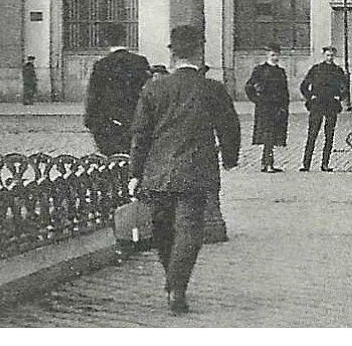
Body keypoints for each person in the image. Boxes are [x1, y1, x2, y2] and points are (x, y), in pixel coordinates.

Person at [128, 24, 241, 315]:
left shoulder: (153, 88)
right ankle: (177, 287)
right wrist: (229, 158)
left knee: (163, 230)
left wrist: (135, 173)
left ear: (172, 53)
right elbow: (230, 127)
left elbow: (140, 135)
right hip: (197, 170)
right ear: (200, 51)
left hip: (158, 171)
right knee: (190, 229)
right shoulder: (212, 88)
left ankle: (172, 280)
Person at [84, 23, 152, 156]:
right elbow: (148, 93)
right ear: (125, 38)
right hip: (135, 122)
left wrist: (92, 123)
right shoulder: (140, 62)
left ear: (105, 41)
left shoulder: (101, 65)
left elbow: (93, 97)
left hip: (108, 125)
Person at [299, 45, 350, 172]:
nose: (329, 57)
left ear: (334, 56)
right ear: (323, 55)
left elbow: (345, 88)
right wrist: (311, 97)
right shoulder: (316, 69)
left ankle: (325, 164)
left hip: (331, 105)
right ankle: (306, 164)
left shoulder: (338, 71)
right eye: (327, 55)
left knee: (329, 135)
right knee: (312, 134)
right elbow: (304, 86)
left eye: (332, 55)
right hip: (317, 105)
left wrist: (339, 97)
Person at [244, 45, 291, 173]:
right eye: (272, 55)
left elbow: (284, 90)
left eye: (276, 55)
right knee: (268, 135)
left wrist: (285, 107)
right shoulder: (260, 70)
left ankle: (266, 163)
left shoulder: (280, 71)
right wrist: (257, 100)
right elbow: (249, 87)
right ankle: (268, 164)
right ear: (267, 55)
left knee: (274, 135)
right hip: (265, 107)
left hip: (277, 107)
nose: (275, 58)